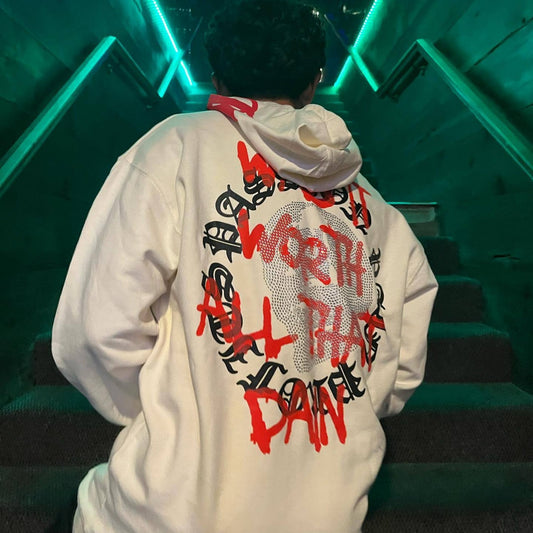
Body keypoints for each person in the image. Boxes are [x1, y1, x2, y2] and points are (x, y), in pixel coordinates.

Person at [52, 0, 438, 531]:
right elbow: (400, 371)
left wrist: (176, 410)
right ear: (314, 84)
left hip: (166, 514)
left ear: (217, 79)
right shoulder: (382, 216)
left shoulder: (171, 151)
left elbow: (93, 332)